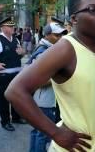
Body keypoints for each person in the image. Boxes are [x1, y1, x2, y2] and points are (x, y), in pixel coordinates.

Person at [5, 0, 95, 151]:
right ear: (74, 19)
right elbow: (15, 91)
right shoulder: (66, 48)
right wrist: (56, 133)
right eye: (92, 10)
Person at [28, 22, 67, 152]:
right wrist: (59, 77)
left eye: (62, 35)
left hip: (41, 100)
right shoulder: (43, 53)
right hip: (44, 101)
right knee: (43, 134)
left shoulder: (46, 49)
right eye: (57, 35)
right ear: (47, 35)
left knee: (37, 131)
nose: (60, 38)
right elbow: (37, 81)